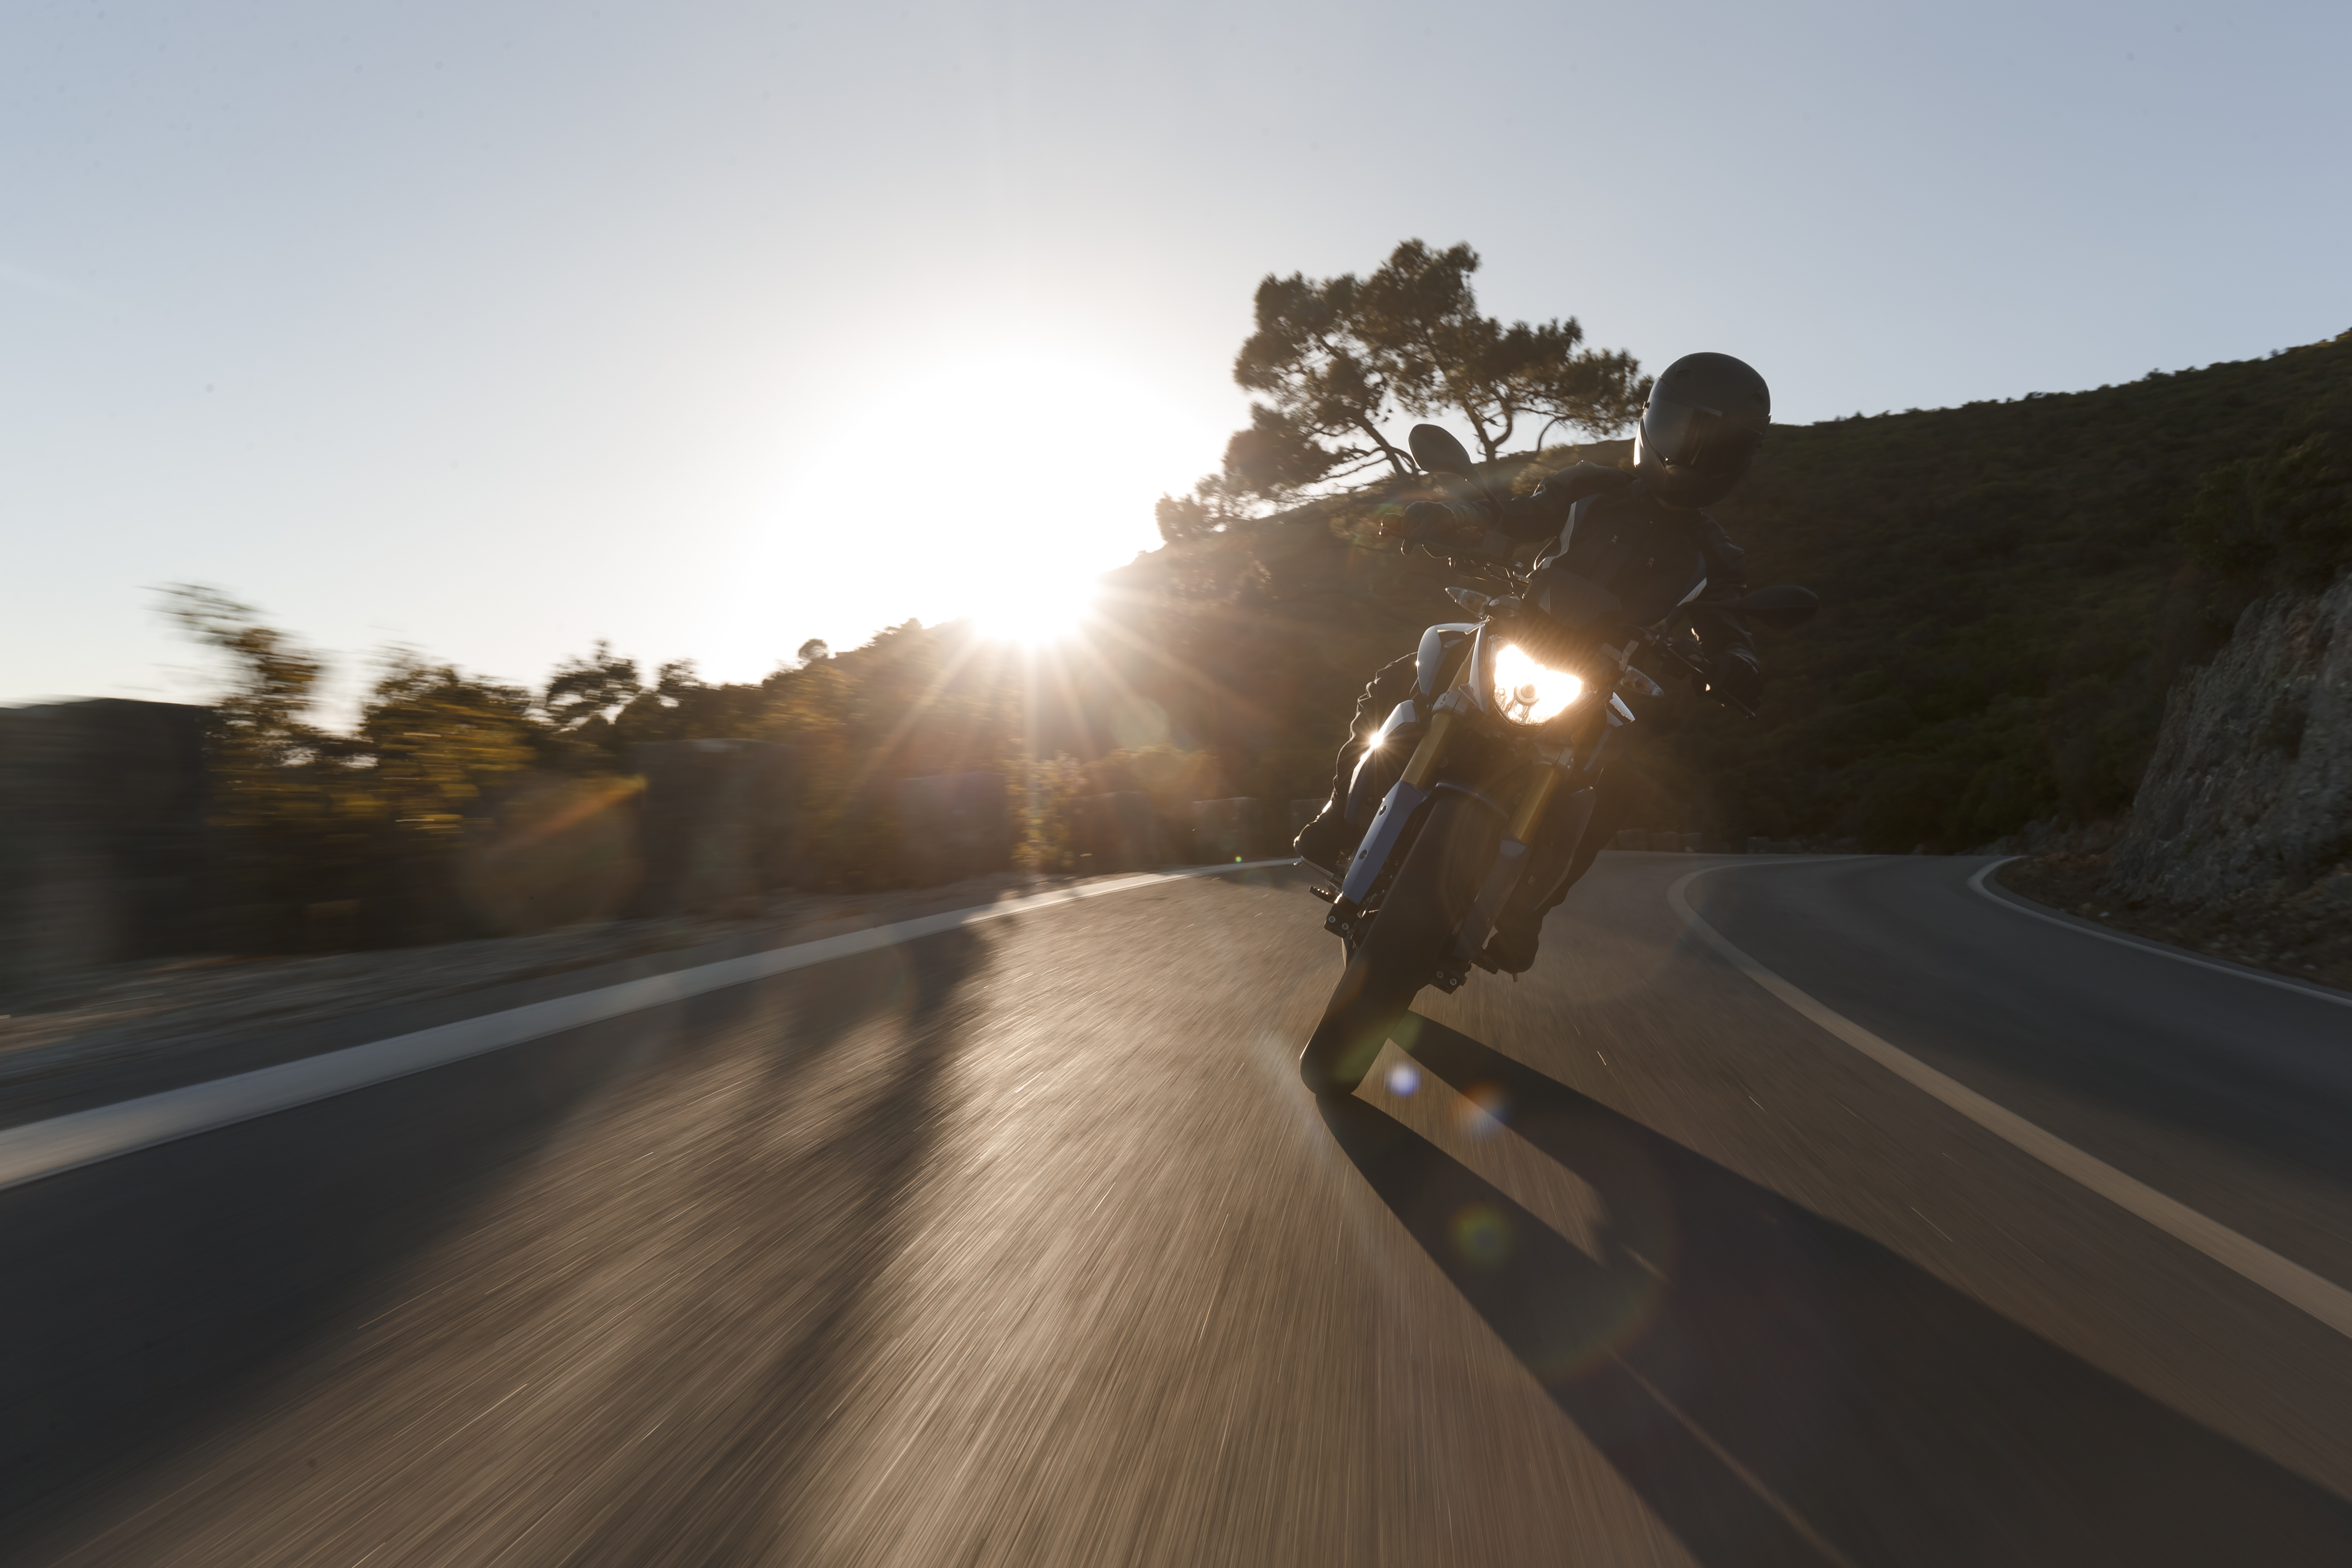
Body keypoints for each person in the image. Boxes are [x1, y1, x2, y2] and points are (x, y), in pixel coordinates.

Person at [1292, 352, 1773, 973]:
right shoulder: (1591, 485)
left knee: (1616, 786)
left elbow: (1728, 624)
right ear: (1652, 419)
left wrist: (1735, 660)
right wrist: (1450, 516)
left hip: (1596, 680)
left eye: (1715, 446)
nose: (1692, 454)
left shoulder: (1716, 555)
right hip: (1517, 634)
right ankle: (1339, 815)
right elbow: (1512, 515)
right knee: (1402, 678)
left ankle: (1524, 914)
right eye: (1683, 431)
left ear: (1739, 459)